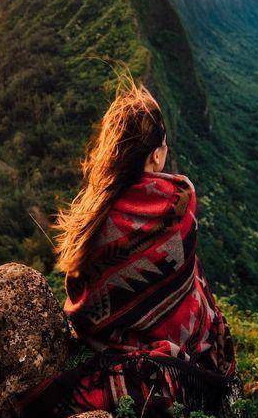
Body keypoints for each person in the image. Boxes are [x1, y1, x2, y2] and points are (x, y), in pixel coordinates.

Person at [15, 77, 241, 417]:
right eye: (163, 145)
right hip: (167, 341)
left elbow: (80, 287)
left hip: (99, 336)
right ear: (154, 156)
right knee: (195, 279)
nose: (166, 150)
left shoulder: (93, 209)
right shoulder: (180, 199)